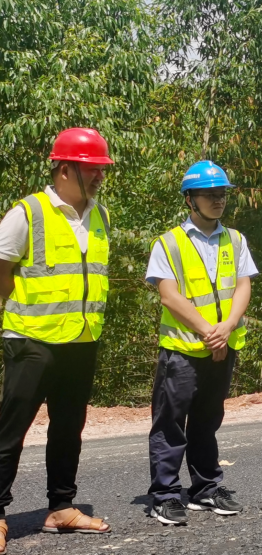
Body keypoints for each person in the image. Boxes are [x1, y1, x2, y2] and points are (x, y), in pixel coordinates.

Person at [0, 128, 115, 546]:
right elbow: (2, 270)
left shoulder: (100, 216)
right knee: (11, 431)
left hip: (81, 339)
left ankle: (62, 507)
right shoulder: (27, 213)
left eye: (102, 169)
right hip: (32, 339)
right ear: (64, 169)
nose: (100, 176)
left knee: (68, 428)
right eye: (92, 168)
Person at [144, 161, 258, 525]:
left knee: (207, 421)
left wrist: (228, 327)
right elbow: (169, 296)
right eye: (209, 194)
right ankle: (165, 495)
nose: (218, 199)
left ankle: (205, 488)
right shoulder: (168, 243)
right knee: (170, 424)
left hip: (223, 348)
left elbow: (243, 286)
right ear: (189, 199)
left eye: (221, 193)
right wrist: (211, 331)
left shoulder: (235, 240)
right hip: (182, 350)